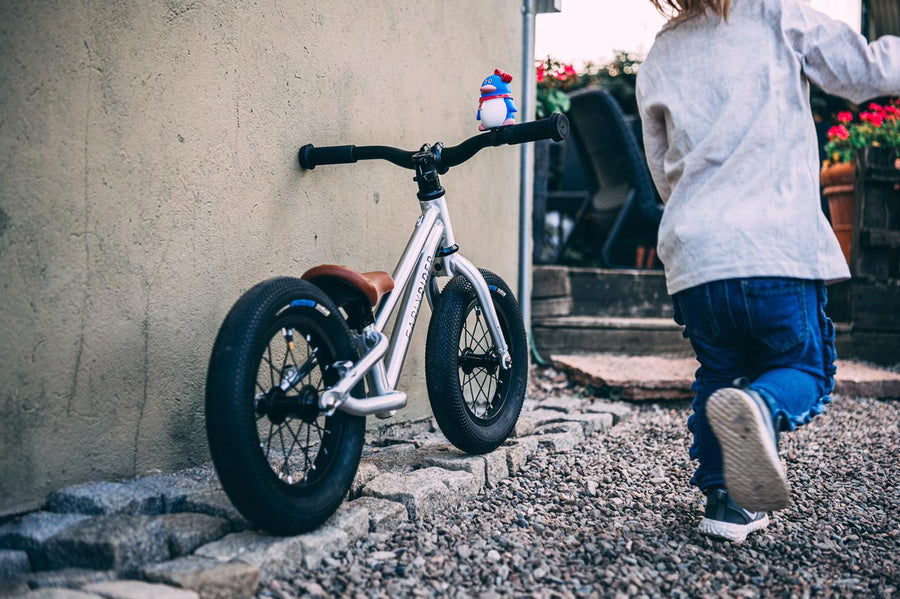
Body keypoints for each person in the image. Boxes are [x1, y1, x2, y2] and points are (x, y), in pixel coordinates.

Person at [636, 0, 900, 542]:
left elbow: (662, 166)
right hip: (774, 246)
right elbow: (865, 71)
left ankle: (726, 503)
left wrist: (696, 219)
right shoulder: (778, 16)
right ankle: (761, 405)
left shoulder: (662, 50)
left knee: (718, 374)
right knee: (803, 369)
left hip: (697, 256)